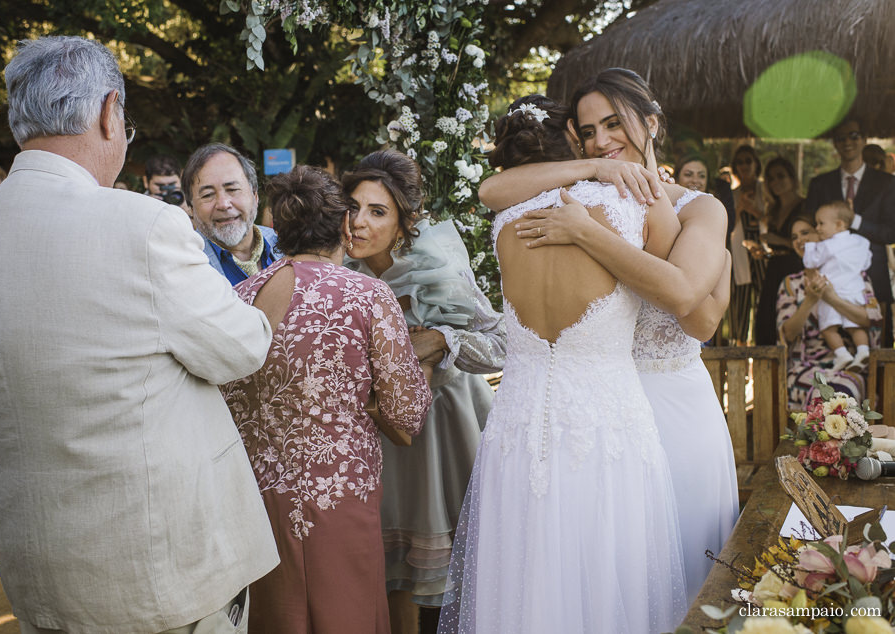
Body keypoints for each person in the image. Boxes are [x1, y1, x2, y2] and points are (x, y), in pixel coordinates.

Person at [0, 35, 280, 633]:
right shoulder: (142, 223)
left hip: (40, 578)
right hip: (166, 575)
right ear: (107, 113)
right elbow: (242, 349)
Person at [475, 69, 738, 606]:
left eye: (614, 124)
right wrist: (594, 170)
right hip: (592, 414)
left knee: (684, 580)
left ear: (652, 123)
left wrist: (586, 234)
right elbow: (491, 190)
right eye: (588, 131)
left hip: (669, 409)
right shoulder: (588, 191)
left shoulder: (697, 208)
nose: (602, 140)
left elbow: (695, 311)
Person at [439, 94, 686, 633]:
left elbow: (492, 189)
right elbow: (672, 281)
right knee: (608, 574)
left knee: (520, 580)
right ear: (574, 141)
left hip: (518, 427)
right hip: (605, 425)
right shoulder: (634, 204)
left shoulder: (505, 214)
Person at [223, 165, 432, 633]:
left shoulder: (238, 298)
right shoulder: (368, 296)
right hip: (339, 496)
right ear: (342, 226)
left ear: (277, 228)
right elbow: (408, 412)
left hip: (258, 500)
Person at [341, 150, 506, 633]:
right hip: (379, 442)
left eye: (377, 211)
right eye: (352, 207)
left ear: (403, 224)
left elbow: (501, 343)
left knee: (448, 577)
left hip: (445, 435)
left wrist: (442, 341)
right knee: (393, 576)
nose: (359, 222)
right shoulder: (340, 276)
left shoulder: (437, 271)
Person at [777, 215, 881, 409]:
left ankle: (829, 439)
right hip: (805, 368)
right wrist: (810, 301)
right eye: (794, 237)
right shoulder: (791, 284)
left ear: (822, 235)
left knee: (840, 392)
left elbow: (871, 321)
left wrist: (832, 298)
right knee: (824, 393)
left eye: (805, 233)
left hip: (851, 367)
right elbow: (788, 334)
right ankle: (822, 439)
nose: (799, 240)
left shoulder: (854, 274)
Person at [805, 118, 893, 337]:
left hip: (873, 276)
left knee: (877, 347)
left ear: (864, 139)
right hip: (830, 280)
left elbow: (891, 232)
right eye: (841, 138)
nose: (848, 142)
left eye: (854, 136)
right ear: (835, 144)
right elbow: (812, 230)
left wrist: (855, 221)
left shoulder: (887, 183)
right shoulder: (820, 184)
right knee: (831, 344)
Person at [181, 143, 279, 285]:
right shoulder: (184, 267)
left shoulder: (284, 245)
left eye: (232, 189)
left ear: (255, 196)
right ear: (191, 207)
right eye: (208, 195)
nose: (223, 204)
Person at [803, 201, 873, 371]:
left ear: (839, 224)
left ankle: (842, 355)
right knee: (854, 327)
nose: (817, 228)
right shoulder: (861, 241)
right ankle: (863, 351)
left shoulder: (827, 245)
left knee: (828, 328)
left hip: (832, 291)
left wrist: (811, 245)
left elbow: (810, 261)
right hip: (854, 290)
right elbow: (866, 262)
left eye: (821, 223)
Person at [755, 157, 805, 345]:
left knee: (789, 315)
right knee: (766, 318)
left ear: (792, 178)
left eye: (780, 176)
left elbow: (809, 244)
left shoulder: (804, 206)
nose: (775, 182)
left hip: (795, 267)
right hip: (773, 268)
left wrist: (780, 241)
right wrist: (764, 251)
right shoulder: (773, 209)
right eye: (771, 178)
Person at [730, 144, 767, 344]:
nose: (744, 166)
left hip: (763, 254)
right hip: (740, 256)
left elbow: (773, 221)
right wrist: (740, 207)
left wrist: (753, 209)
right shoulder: (732, 194)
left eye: (748, 161)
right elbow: (727, 227)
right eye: (740, 162)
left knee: (765, 304)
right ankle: (740, 353)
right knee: (741, 306)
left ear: (756, 164)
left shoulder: (766, 189)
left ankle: (764, 346)